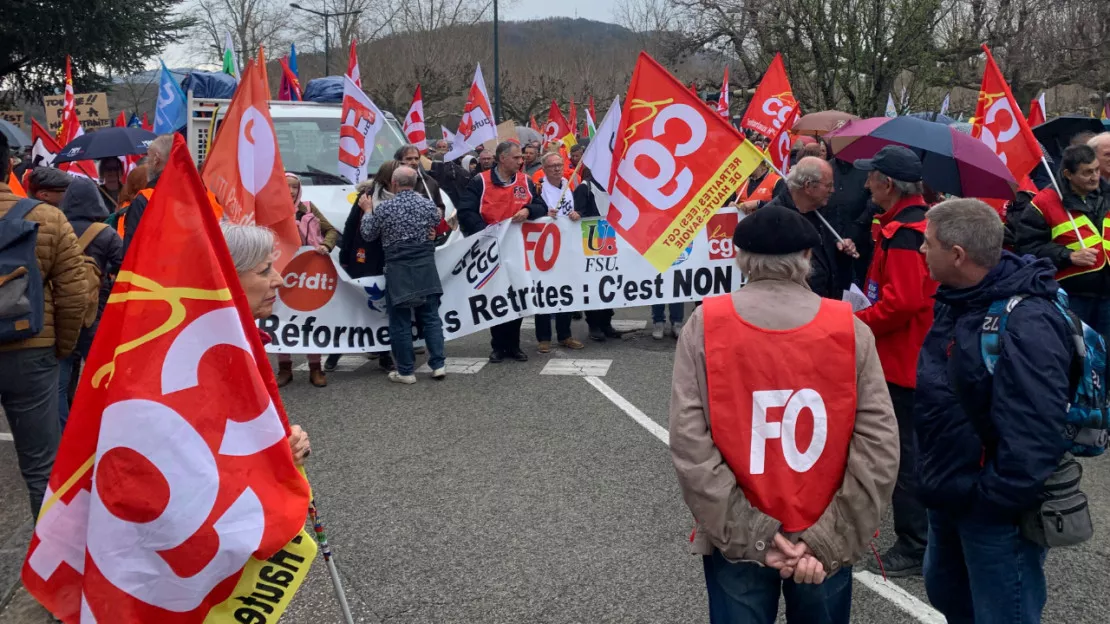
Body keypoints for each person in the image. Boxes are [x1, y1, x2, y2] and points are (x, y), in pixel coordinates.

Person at [671, 205, 898, 624]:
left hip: (736, 531)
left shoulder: (705, 323)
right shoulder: (850, 328)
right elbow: (879, 446)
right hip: (822, 528)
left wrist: (748, 532)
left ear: (740, 258)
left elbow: (690, 442)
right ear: (808, 259)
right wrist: (830, 537)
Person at [916, 199, 1073, 624]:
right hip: (951, 489)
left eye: (927, 243)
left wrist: (990, 498)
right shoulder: (955, 298)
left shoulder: (1026, 321)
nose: (920, 251)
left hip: (991, 506)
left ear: (958, 255)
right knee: (949, 595)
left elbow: (1036, 431)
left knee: (1003, 613)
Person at [852, 145, 938, 575]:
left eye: (871, 177)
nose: (865, 183)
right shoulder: (906, 225)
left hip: (905, 361)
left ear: (888, 184)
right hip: (912, 356)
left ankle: (917, 542)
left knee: (907, 454)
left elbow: (901, 303)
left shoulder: (906, 232)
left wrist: (857, 322)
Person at [0, 134, 89, 521]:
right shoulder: (47, 216)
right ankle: (51, 568)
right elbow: (76, 294)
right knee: (42, 467)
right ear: (9, 167)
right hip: (32, 350)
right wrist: (61, 348)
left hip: (36, 350)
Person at [222, 223, 312, 466]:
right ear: (224, 278)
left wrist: (286, 445)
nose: (279, 280)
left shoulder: (243, 343)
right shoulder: (213, 358)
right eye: (264, 271)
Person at [457, 141, 546, 363]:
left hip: (517, 249)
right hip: (491, 249)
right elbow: (466, 211)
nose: (521, 161)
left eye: (521, 158)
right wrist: (485, 233)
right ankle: (498, 345)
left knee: (516, 295)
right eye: (516, 157)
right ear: (503, 158)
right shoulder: (481, 181)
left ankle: (513, 345)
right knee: (496, 296)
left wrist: (528, 209)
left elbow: (541, 206)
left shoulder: (525, 181)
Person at [361, 166, 446, 384]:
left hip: (398, 266)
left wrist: (368, 211)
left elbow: (368, 234)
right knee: (430, 316)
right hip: (425, 263)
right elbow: (438, 222)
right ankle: (438, 365)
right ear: (416, 183)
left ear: (395, 184)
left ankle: (406, 371)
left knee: (400, 320)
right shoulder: (428, 205)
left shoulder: (385, 208)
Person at [1015, 144, 1110, 336]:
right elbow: (1027, 248)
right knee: (1079, 352)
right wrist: (1068, 256)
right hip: (1072, 295)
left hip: (1107, 292)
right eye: (1087, 172)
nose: (1095, 177)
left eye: (1096, 170)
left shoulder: (1106, 194)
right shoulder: (1043, 203)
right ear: (1068, 174)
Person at [57, 178, 123, 428]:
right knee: (102, 376)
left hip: (61, 313)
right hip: (96, 313)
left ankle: (63, 435)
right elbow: (125, 265)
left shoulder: (58, 228)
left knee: (59, 382)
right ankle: (101, 431)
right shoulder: (106, 234)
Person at [331, 164, 400, 372]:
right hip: (363, 259)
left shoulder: (403, 197)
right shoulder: (366, 196)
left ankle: (384, 355)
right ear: (388, 178)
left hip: (389, 259)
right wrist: (344, 258)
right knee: (355, 304)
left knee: (383, 309)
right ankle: (335, 352)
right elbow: (351, 227)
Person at [275, 173, 340, 388]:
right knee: (281, 317)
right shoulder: (272, 210)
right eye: (287, 186)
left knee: (312, 316)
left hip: (309, 272)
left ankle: (315, 367)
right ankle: (285, 367)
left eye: (294, 187)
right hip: (282, 270)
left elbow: (330, 230)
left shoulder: (309, 208)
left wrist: (326, 246)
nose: (291, 191)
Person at [763, 157, 858, 299]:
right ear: (808, 186)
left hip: (828, 304)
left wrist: (844, 250)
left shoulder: (828, 209)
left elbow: (837, 262)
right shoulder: (772, 218)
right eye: (828, 185)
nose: (832, 190)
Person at [534, 152, 586, 352]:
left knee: (565, 290)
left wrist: (577, 213)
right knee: (545, 291)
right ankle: (544, 337)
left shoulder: (569, 182)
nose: (556, 168)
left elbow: (580, 206)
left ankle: (565, 334)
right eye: (552, 166)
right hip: (546, 247)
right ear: (544, 169)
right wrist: (544, 214)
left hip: (567, 246)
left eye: (559, 164)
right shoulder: (538, 187)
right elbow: (532, 208)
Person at [122, 134, 173, 255]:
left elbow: (131, 252)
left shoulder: (145, 200)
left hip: (156, 270)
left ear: (156, 159)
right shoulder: (200, 193)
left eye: (148, 157)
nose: (147, 163)